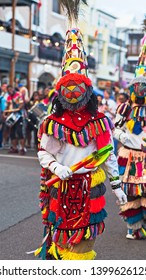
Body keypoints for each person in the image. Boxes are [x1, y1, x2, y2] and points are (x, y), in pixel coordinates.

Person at [35, 0, 127, 260]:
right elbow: (44, 154)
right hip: (62, 186)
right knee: (62, 240)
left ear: (88, 91)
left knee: (85, 243)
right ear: (60, 92)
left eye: (78, 88)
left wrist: (117, 186)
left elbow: (107, 154)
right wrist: (56, 167)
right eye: (68, 88)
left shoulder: (99, 121)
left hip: (90, 187)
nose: (73, 93)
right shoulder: (54, 122)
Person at [113, 35, 146, 239]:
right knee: (131, 191)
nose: (141, 90)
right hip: (129, 156)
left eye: (144, 87)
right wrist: (128, 140)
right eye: (137, 87)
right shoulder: (125, 109)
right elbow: (115, 131)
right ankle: (133, 228)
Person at [4, 85, 26, 155]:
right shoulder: (8, 97)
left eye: (11, 88)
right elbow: (7, 106)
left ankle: (22, 148)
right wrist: (5, 113)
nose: (10, 90)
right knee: (12, 133)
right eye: (9, 89)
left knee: (20, 132)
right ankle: (14, 148)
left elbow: (21, 104)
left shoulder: (18, 95)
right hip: (12, 116)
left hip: (19, 116)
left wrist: (17, 109)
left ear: (13, 89)